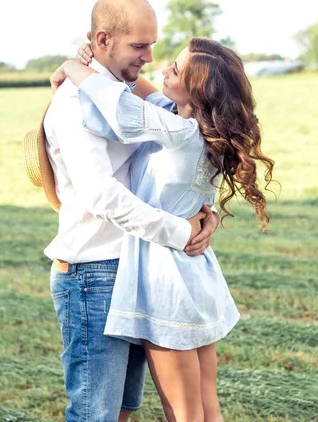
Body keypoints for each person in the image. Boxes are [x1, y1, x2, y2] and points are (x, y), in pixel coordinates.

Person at [50, 37, 275, 422]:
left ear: (196, 88)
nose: (162, 69)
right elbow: (132, 86)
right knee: (207, 406)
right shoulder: (195, 124)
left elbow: (119, 105)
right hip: (196, 274)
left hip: (167, 282)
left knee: (185, 412)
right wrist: (87, 61)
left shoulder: (176, 130)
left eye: (175, 68)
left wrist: (71, 69)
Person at [43, 0, 217, 422]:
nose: (149, 56)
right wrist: (182, 232)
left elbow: (180, 147)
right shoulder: (75, 102)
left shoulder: (124, 96)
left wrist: (206, 212)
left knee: (121, 411)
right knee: (94, 415)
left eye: (153, 44)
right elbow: (102, 195)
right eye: (139, 46)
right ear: (102, 39)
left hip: (135, 267)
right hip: (92, 274)